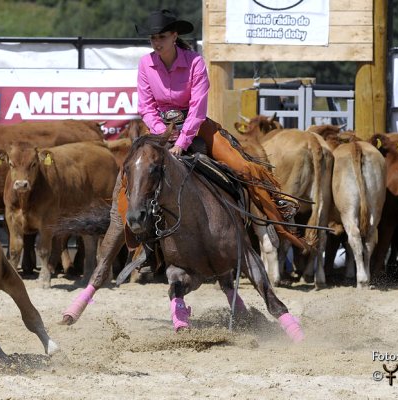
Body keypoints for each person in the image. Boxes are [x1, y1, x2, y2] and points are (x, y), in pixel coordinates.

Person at [62, 9, 310, 324]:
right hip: (158, 131)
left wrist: (182, 140)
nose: (156, 42)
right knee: (129, 190)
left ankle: (274, 215)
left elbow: (198, 105)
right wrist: (162, 134)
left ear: (175, 36)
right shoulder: (145, 65)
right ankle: (139, 245)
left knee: (243, 167)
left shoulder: (194, 62)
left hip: (196, 128)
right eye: (153, 38)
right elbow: (146, 107)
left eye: (161, 37)